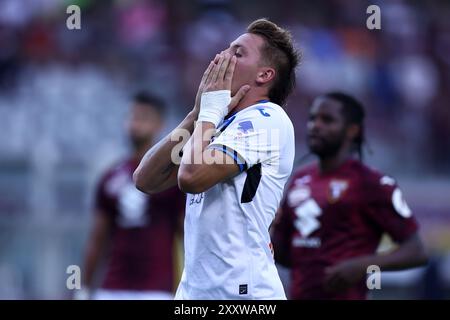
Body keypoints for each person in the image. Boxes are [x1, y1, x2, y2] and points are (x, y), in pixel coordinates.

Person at [134, 18, 300, 299]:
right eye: (226, 49)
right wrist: (196, 113)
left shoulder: (267, 120)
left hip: (242, 294)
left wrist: (209, 113)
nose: (222, 57)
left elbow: (191, 178)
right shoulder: (216, 124)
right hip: (194, 293)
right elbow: (145, 179)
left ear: (264, 75)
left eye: (238, 53)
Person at [271, 92, 428, 299]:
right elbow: (283, 253)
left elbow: (416, 251)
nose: (315, 126)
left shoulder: (371, 183)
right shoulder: (300, 179)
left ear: (352, 130)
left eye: (327, 120)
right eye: (312, 118)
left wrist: (363, 265)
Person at [78, 92, 185, 300]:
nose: (135, 123)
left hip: (158, 291)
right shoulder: (110, 177)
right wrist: (83, 288)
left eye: (143, 117)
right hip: (112, 289)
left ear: (159, 125)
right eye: (132, 116)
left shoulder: (173, 178)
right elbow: (97, 239)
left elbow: (186, 233)